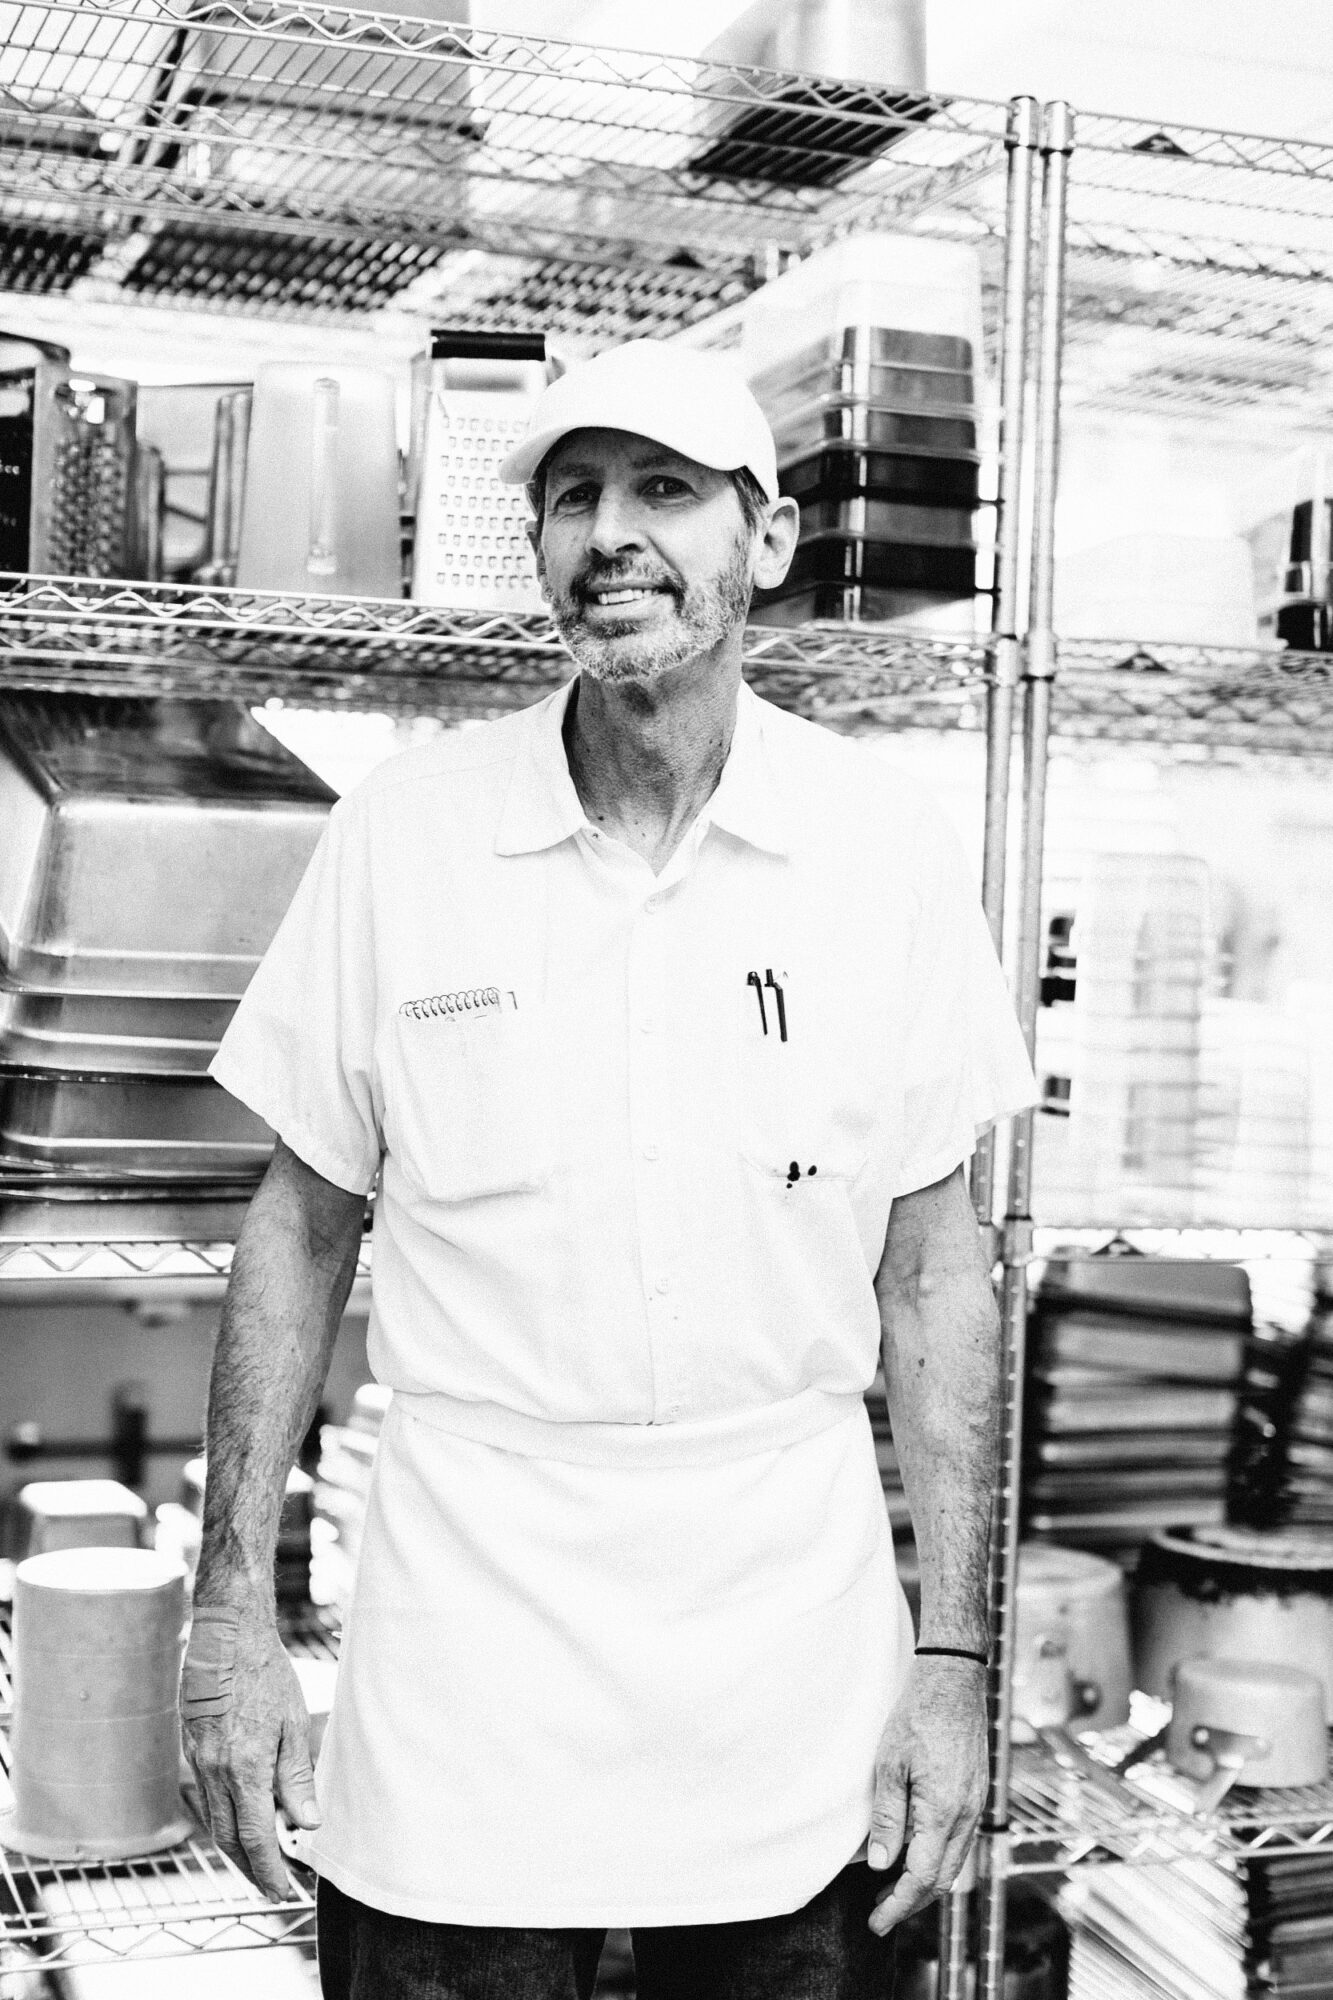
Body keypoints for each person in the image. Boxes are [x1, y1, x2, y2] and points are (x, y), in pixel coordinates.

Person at [183, 338, 1036, 2000]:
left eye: (662, 488)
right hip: (466, 1661)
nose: (607, 533)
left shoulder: (882, 851)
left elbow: (937, 1269)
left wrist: (954, 1657)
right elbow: (297, 1232)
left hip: (788, 1659)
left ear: (766, 537)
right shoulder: (403, 836)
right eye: (572, 495)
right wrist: (227, 1622)